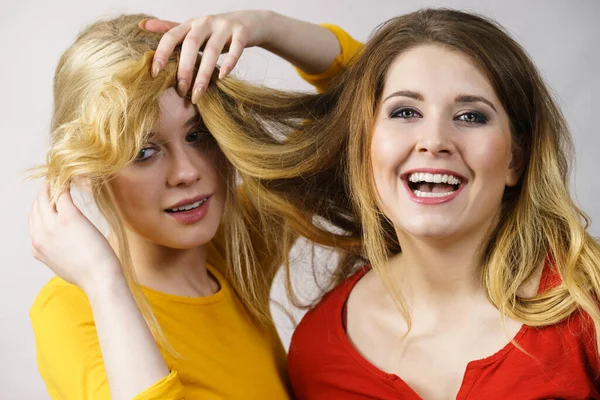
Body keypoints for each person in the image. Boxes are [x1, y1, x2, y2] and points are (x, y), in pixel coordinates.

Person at [192, 8, 600, 399]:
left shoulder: (589, 305)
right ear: (365, 148)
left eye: (471, 116)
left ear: (515, 158)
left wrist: (268, 24)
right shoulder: (321, 349)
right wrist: (263, 22)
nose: (435, 140)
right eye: (405, 111)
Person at [29, 11, 361, 400]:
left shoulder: (235, 247)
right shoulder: (71, 310)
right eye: (144, 151)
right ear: (85, 170)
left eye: (198, 135)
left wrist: (268, 27)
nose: (186, 173)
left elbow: (370, 96)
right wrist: (106, 282)